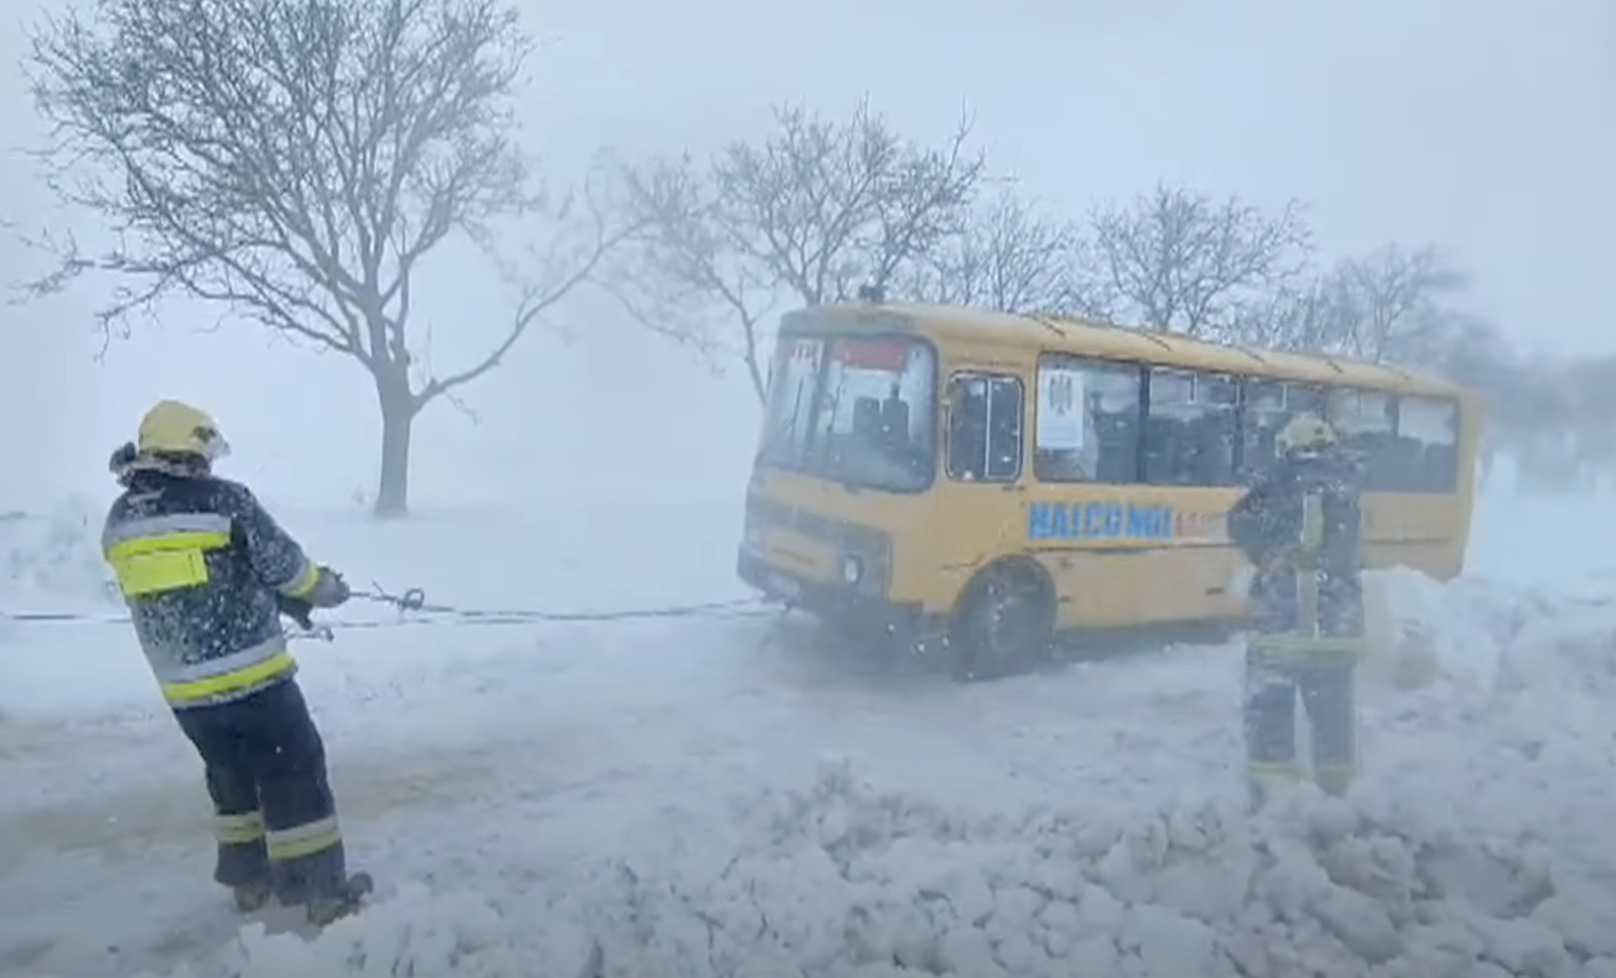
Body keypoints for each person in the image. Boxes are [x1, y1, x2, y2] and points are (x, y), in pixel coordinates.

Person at [102, 400, 369, 924]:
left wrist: (264, 598)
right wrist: (324, 589)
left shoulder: (120, 520)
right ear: (194, 447)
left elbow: (192, 587)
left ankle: (248, 882)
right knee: (295, 769)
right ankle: (319, 891)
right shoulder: (224, 502)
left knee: (230, 777)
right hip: (254, 681)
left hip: (186, 695)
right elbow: (287, 569)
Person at [1227, 411, 1366, 808]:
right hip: (1337, 628)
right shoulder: (1348, 487)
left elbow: (1239, 523)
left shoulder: (1282, 484)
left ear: (1289, 449)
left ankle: (1273, 797)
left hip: (1283, 627)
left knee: (1269, 710)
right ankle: (1338, 792)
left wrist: (1268, 554)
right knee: (1333, 713)